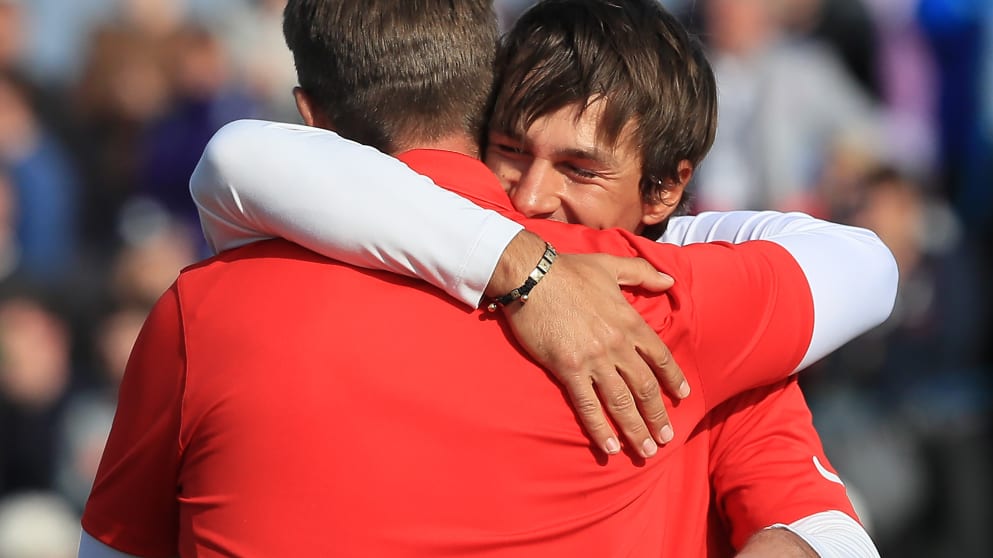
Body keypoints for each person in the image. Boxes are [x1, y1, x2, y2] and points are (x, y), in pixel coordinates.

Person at [79, 1, 896, 556]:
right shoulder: (681, 311)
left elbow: (810, 512)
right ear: (478, 110)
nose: (535, 195)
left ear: (666, 188)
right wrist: (525, 267)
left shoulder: (204, 306)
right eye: (512, 150)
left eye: (579, 166)